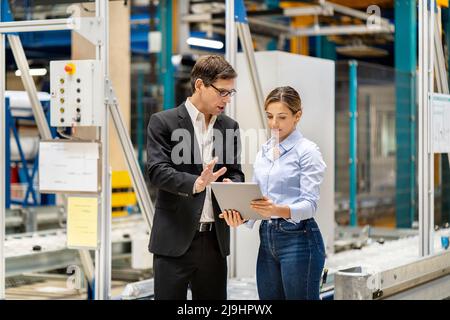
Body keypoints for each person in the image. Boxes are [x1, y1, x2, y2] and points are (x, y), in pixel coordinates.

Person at [146, 55, 245, 300]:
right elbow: (157, 170)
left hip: (214, 242)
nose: (227, 100)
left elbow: (235, 172)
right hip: (174, 241)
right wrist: (196, 183)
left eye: (231, 93)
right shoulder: (163, 122)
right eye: (222, 92)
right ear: (199, 85)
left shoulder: (229, 127)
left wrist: (234, 190)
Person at [220, 86, 326, 300]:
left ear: (298, 116)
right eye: (269, 116)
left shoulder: (307, 151)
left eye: (281, 117)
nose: (274, 124)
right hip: (267, 239)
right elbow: (257, 199)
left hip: (300, 239)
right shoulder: (264, 151)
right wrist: (239, 214)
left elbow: (310, 205)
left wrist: (276, 209)